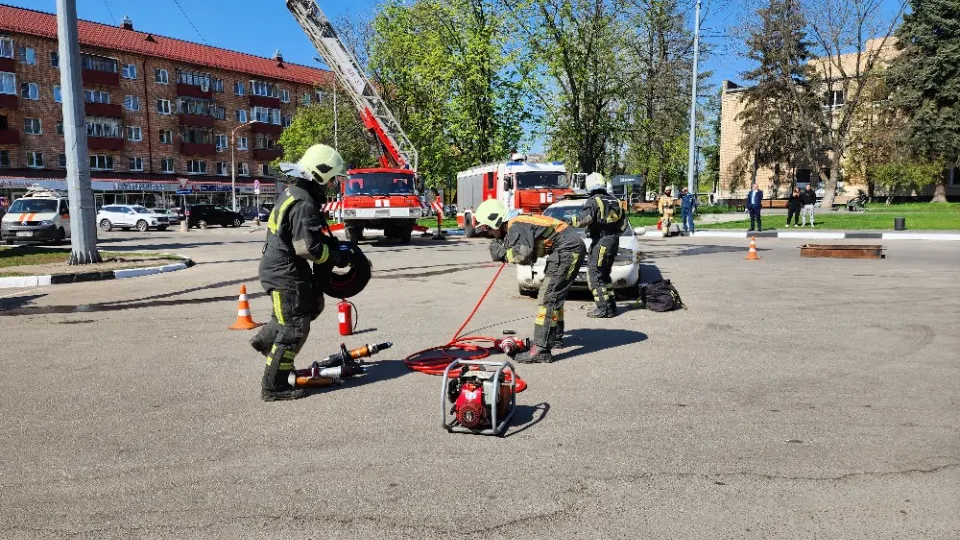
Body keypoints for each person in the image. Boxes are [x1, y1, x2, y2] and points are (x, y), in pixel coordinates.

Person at [249, 144, 357, 402]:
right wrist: (335, 258)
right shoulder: (304, 201)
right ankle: (273, 386)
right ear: (320, 173)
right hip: (284, 273)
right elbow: (307, 247)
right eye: (332, 178)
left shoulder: (295, 192)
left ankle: (266, 343)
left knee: (307, 308)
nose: (332, 184)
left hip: (284, 269)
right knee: (295, 327)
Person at [477, 198, 586, 364]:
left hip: (567, 249)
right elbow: (531, 255)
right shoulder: (518, 222)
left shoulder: (516, 225)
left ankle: (541, 349)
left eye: (487, 227)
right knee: (552, 296)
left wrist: (502, 254)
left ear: (495, 219)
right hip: (568, 248)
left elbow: (522, 254)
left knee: (548, 297)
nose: (488, 233)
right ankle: (553, 337)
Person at [571, 172, 626, 318]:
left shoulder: (593, 201)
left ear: (589, 186)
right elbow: (623, 226)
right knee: (605, 275)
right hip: (613, 241)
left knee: (595, 275)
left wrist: (569, 221)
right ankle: (611, 307)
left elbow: (584, 220)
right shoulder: (616, 201)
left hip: (601, 242)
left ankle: (602, 309)